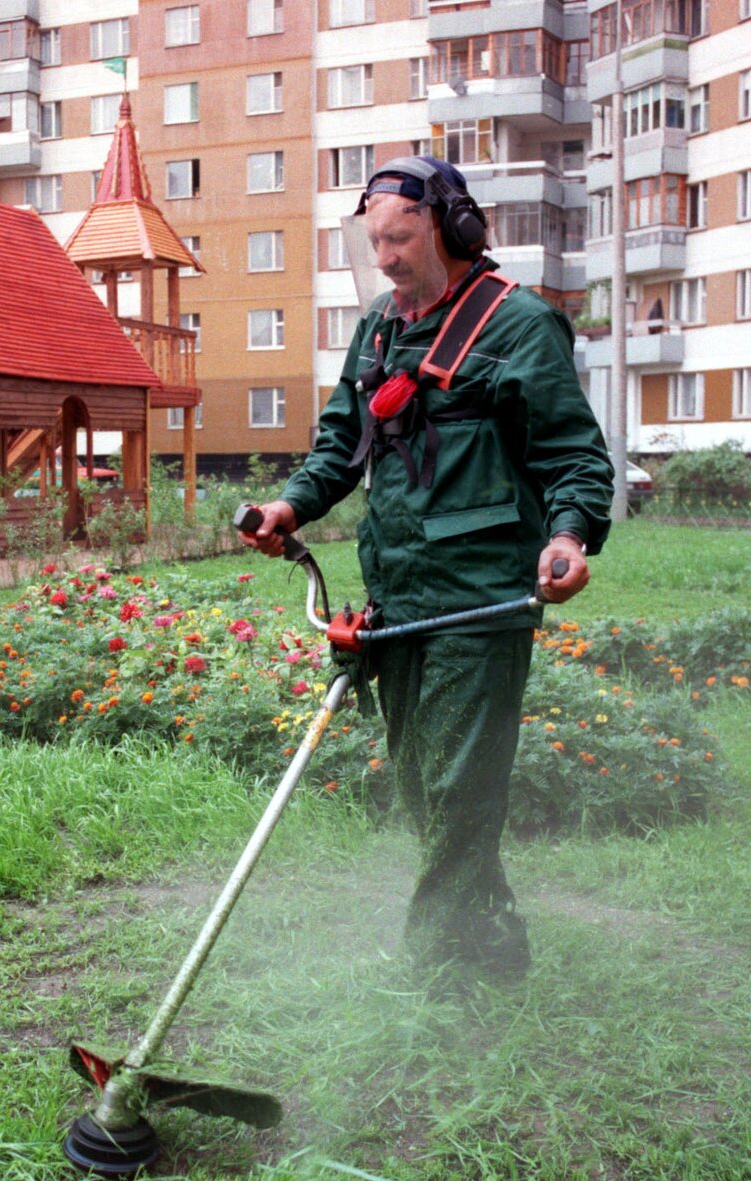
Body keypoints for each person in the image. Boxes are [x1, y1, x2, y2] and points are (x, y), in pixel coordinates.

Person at [239, 157, 614, 988]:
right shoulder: (379, 328)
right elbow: (342, 444)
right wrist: (290, 509)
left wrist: (570, 537)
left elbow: (573, 456)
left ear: (452, 229)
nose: (386, 257)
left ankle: (434, 977)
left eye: (401, 238)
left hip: (480, 597)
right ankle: (493, 936)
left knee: (457, 782)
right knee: (423, 784)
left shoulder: (517, 326)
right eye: (374, 240)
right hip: (400, 591)